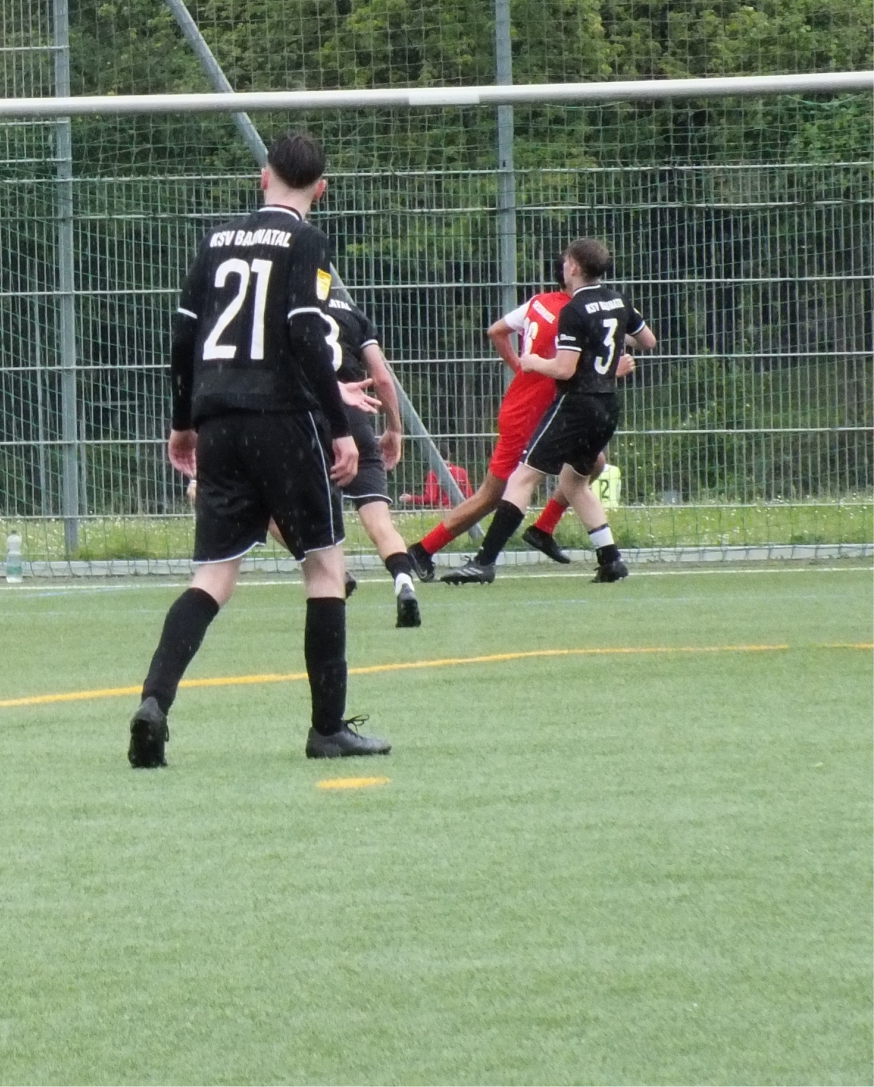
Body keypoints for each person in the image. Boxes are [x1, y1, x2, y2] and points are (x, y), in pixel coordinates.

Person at [128, 131, 389, 769]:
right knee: (324, 568)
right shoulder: (307, 242)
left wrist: (183, 421)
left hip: (218, 419)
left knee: (213, 577)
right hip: (283, 419)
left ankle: (154, 702)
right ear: (320, 190)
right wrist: (338, 426)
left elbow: (183, 338)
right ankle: (327, 729)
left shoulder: (216, 240)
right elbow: (305, 334)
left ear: (262, 176)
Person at [442, 238, 655, 585]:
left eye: (566, 261)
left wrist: (533, 361)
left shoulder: (574, 310)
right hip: (607, 405)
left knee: (523, 477)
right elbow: (647, 341)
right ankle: (611, 558)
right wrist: (609, 343)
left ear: (573, 267)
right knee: (575, 482)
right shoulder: (618, 300)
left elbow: (564, 369)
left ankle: (484, 562)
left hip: (576, 405)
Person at [408, 275, 630, 580]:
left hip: (545, 408)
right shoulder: (574, 313)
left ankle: (543, 528)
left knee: (593, 463)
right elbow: (572, 367)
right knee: (493, 495)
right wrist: (612, 370)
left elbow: (496, 331)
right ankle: (423, 550)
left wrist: (520, 368)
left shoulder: (540, 302)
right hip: (531, 412)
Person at [324, 286, 423, 628]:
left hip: (311, 421)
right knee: (380, 523)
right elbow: (381, 377)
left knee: (275, 510)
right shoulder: (353, 313)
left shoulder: (286, 306)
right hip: (357, 422)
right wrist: (394, 427)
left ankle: (335, 572)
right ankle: (404, 582)